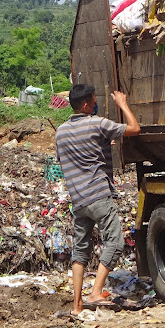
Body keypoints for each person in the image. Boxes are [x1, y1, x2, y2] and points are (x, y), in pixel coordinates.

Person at [55, 84, 141, 315]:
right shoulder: (98, 123)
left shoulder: (61, 131)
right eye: (93, 102)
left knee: (80, 252)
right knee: (115, 242)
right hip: (99, 196)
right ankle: (95, 292)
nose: (96, 105)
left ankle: (77, 305)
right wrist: (122, 105)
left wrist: (101, 144)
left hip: (79, 200)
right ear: (85, 105)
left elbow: (69, 159)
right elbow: (134, 128)